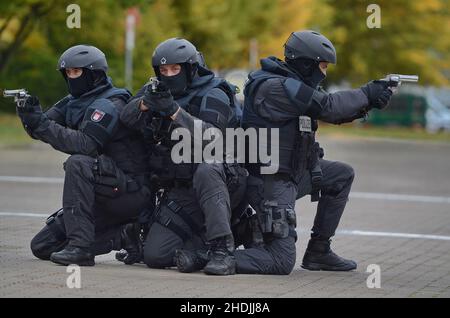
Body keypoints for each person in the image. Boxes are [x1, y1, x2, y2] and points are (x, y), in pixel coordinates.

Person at [230, 30, 394, 274]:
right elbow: (328, 107)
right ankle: (215, 254)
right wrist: (366, 93)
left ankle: (319, 251)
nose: (324, 73)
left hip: (292, 175)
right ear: (306, 64)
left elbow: (330, 111)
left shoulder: (293, 84)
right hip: (269, 182)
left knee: (341, 175)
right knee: (280, 261)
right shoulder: (275, 87)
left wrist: (368, 102)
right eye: (323, 66)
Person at [120, 38, 247, 275]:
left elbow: (212, 138)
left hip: (221, 180)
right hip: (183, 188)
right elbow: (125, 118)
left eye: (175, 69)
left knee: (207, 168)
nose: (169, 74)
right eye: (163, 70)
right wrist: (146, 103)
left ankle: (223, 249)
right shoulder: (158, 89)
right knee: (155, 256)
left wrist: (174, 112)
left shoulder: (214, 92)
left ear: (190, 69)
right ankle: (202, 250)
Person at [19, 45, 151, 266]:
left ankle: (80, 248)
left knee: (78, 162)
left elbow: (86, 145)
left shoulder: (110, 103)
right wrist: (29, 116)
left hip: (129, 192)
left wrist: (41, 124)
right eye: (68, 73)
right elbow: (44, 128)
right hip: (100, 190)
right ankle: (124, 236)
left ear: (94, 74)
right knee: (42, 247)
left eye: (76, 72)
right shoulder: (74, 100)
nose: (71, 78)